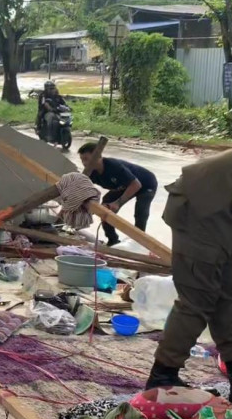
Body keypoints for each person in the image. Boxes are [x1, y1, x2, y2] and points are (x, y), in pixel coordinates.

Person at [145, 150, 232, 396]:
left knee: (228, 298)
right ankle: (163, 376)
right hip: (201, 207)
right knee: (198, 299)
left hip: (223, 210)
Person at [78, 142, 158, 247]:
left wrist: (118, 203)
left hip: (145, 184)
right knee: (105, 208)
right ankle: (113, 240)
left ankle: (139, 243)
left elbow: (136, 185)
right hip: (123, 186)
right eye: (82, 160)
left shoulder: (113, 166)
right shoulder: (90, 172)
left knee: (140, 211)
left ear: (98, 157)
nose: (84, 163)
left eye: (87, 159)